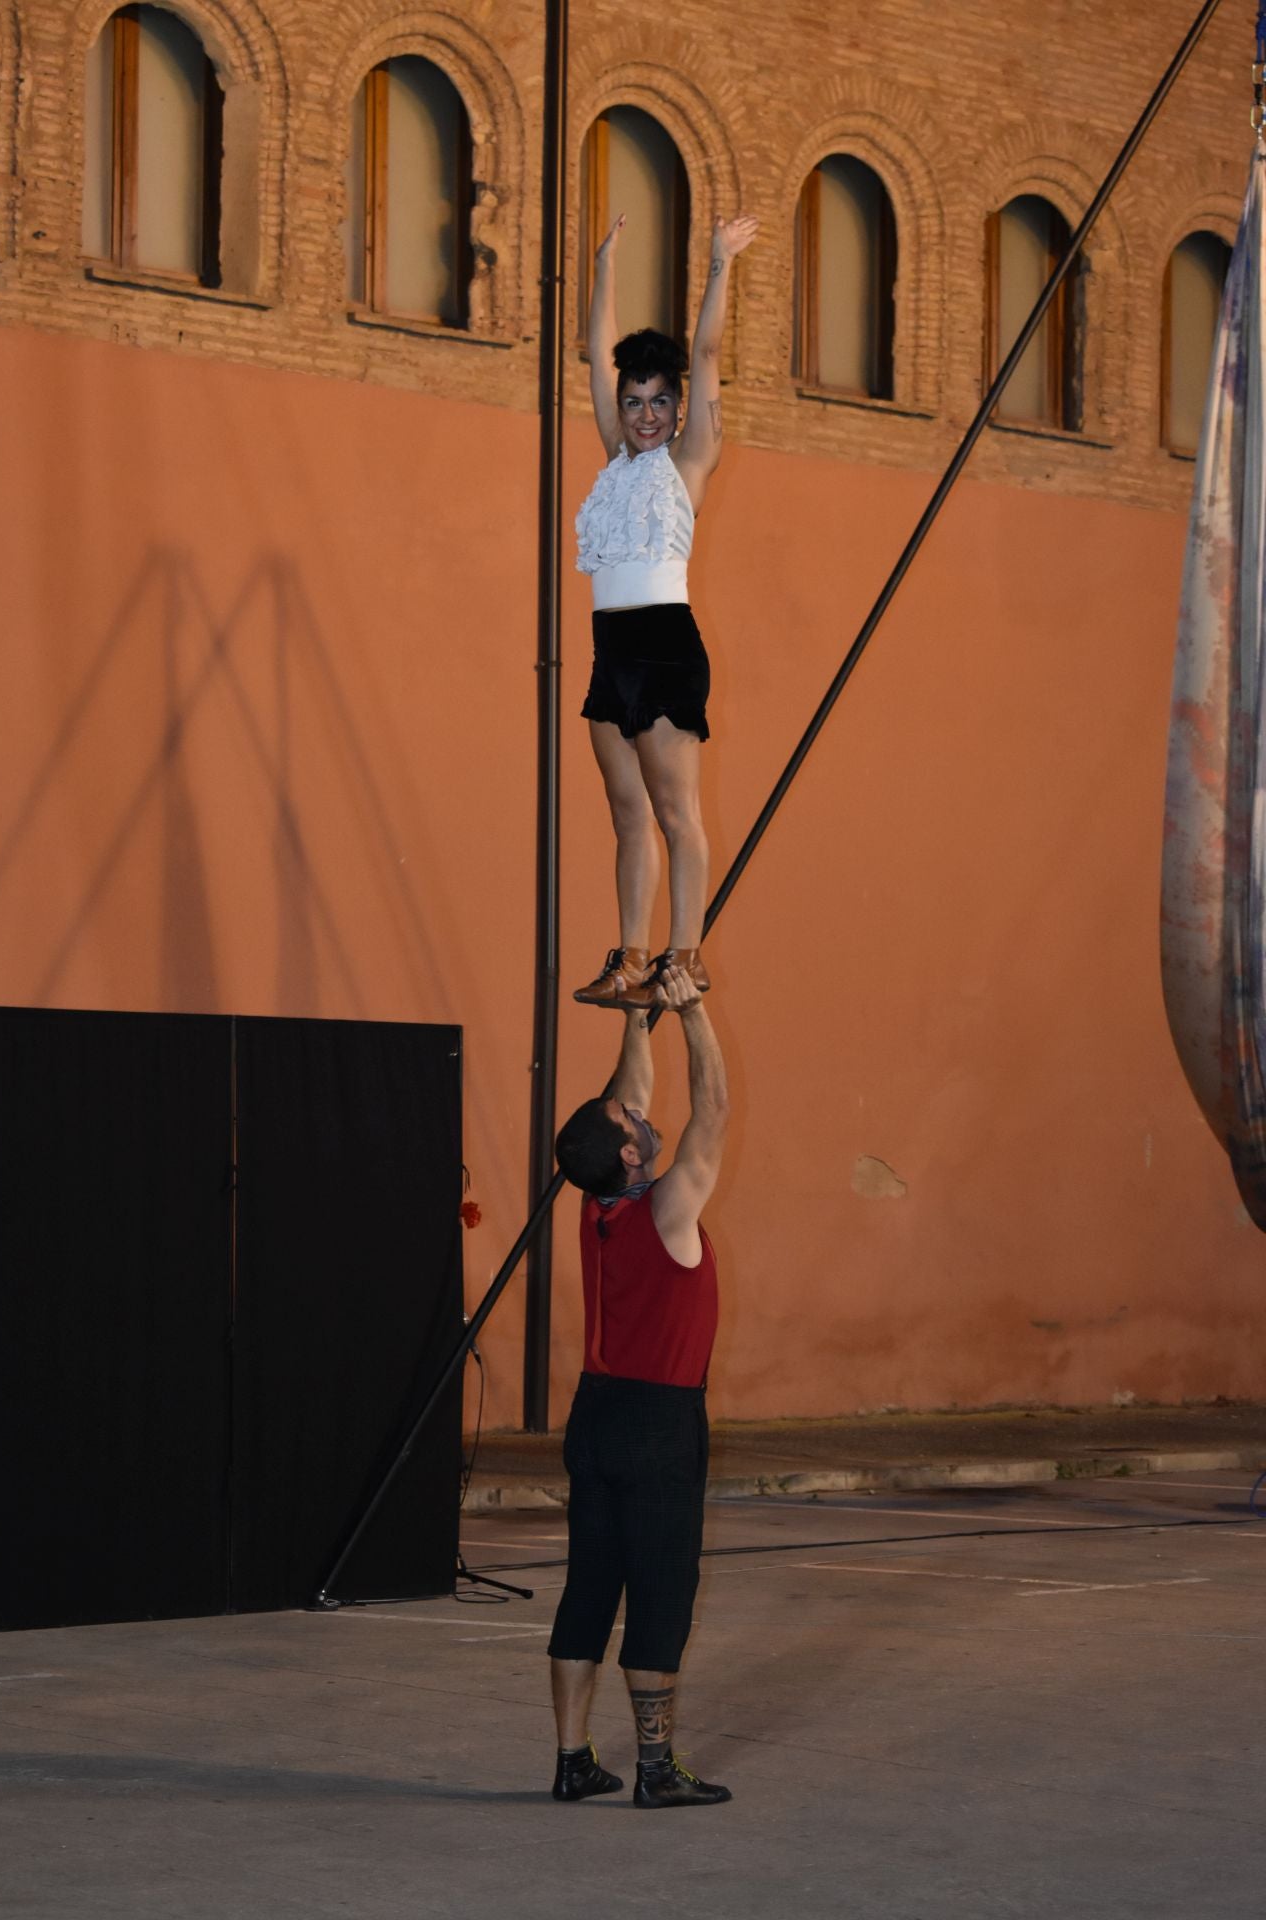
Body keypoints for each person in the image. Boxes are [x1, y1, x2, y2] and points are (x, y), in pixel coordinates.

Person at [547, 962, 732, 1809]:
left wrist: (635, 1015)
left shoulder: (593, 1201)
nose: (636, 1108)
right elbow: (713, 1113)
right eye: (631, 1117)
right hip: (659, 1425)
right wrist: (691, 1014)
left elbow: (630, 1095)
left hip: (594, 1418)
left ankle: (572, 1760)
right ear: (630, 1150)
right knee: (660, 1594)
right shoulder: (669, 1212)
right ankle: (656, 1771)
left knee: (590, 1587)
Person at [572, 210, 759, 1012]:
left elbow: (709, 352)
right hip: (610, 647)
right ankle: (632, 956)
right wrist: (605, 263)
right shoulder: (617, 458)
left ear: (681, 409)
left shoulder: (688, 460)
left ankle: (686, 955)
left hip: (663, 645)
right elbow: (595, 348)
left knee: (677, 810)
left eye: (659, 401)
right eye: (634, 400)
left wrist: (719, 265)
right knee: (627, 813)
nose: (644, 413)